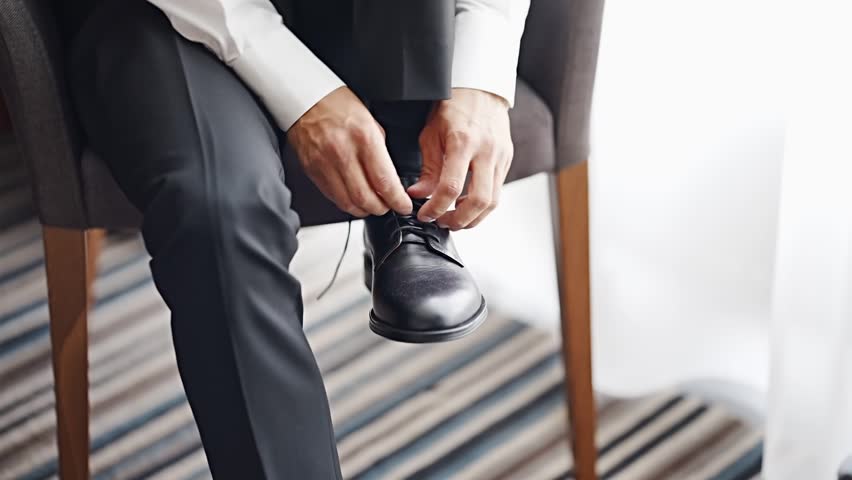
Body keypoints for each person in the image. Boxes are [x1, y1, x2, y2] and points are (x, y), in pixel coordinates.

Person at [58, 0, 529, 477]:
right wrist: (306, 94)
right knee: (220, 212)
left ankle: (406, 180)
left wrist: (481, 78)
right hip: (162, 18)